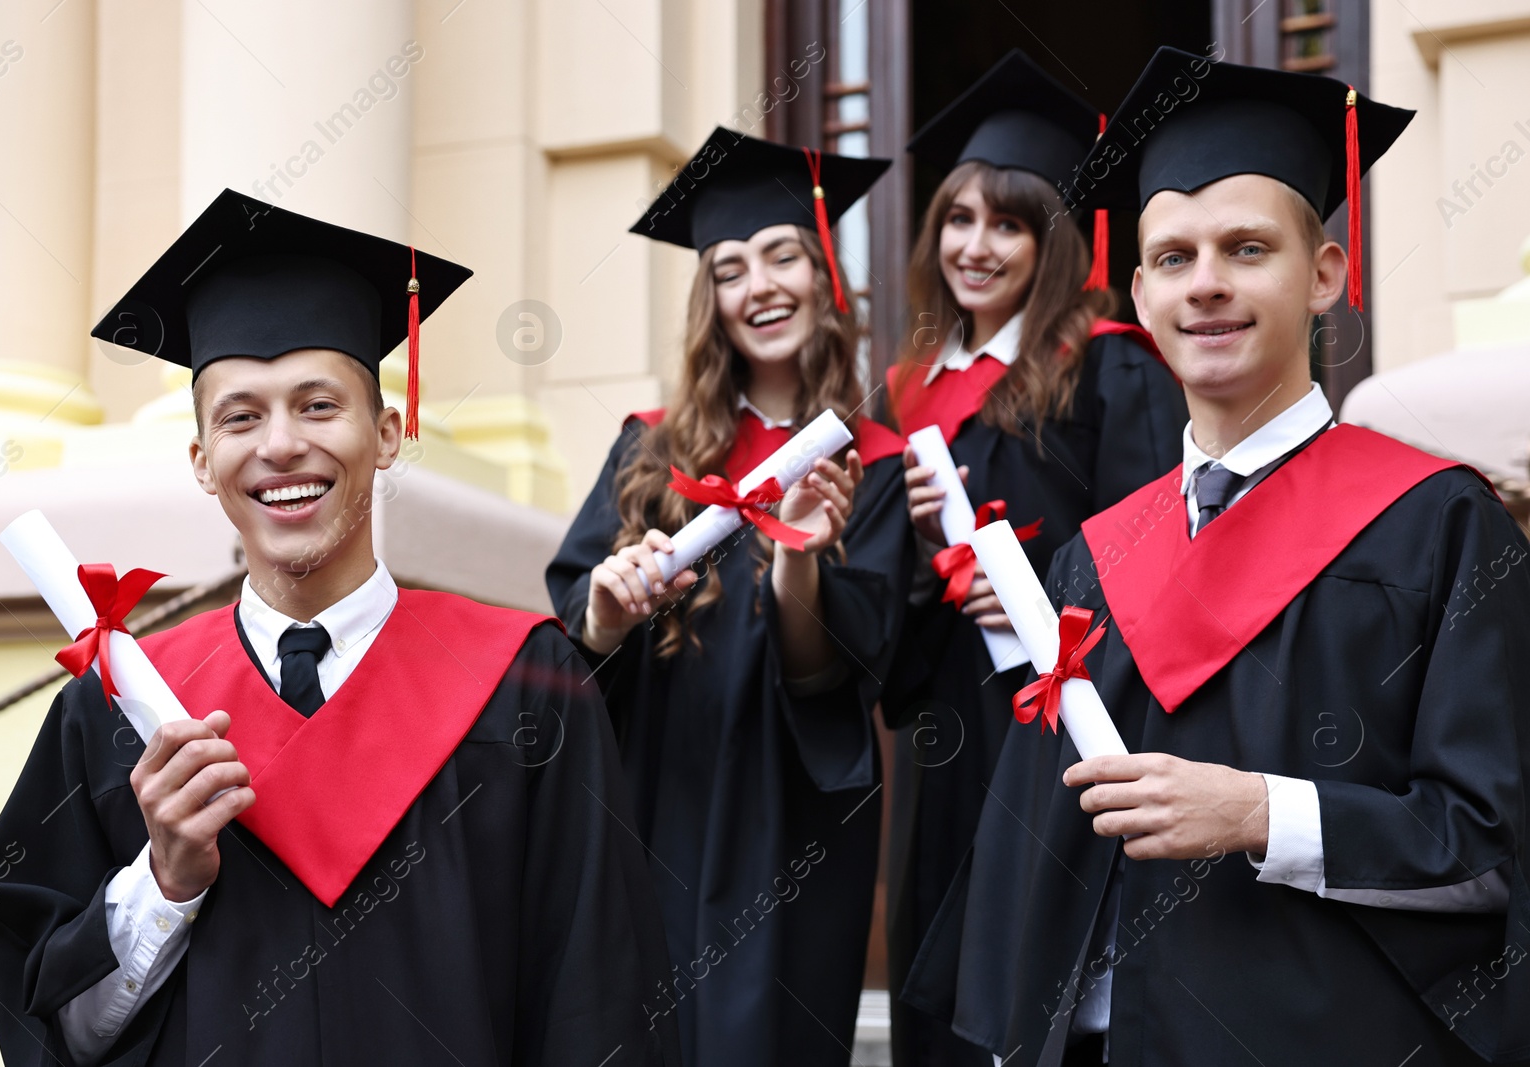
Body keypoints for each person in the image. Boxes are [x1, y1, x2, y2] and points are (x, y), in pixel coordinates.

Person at [904, 47, 1530, 1065]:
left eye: (1245, 248)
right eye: (1172, 257)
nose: (1206, 286)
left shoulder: (1440, 527)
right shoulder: (1093, 561)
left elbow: (1492, 853)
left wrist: (1260, 810)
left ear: (1324, 272)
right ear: (1138, 298)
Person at [0, 190, 680, 1067]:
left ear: (386, 433)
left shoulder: (526, 682)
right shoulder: (118, 711)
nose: (279, 445)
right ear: (202, 461)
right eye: (240, 415)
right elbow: (61, 1035)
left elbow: (598, 1002)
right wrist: (163, 884)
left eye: (317, 404)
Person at [546, 127, 914, 1067]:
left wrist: (799, 553)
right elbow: (574, 639)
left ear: (825, 270)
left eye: (783, 254)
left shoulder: (873, 461)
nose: (760, 286)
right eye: (730, 269)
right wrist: (611, 607)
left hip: (797, 817)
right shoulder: (649, 447)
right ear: (710, 301)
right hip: (663, 788)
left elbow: (831, 672)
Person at [880, 49, 1185, 1067]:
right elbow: (899, 618)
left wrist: (1048, 605)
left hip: (1068, 710)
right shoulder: (911, 392)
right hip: (953, 723)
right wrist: (921, 548)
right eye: (958, 219)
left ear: (1049, 240)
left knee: (1046, 959)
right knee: (945, 951)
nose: (976, 245)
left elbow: (1152, 538)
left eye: (1007, 222)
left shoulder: (1105, 365)